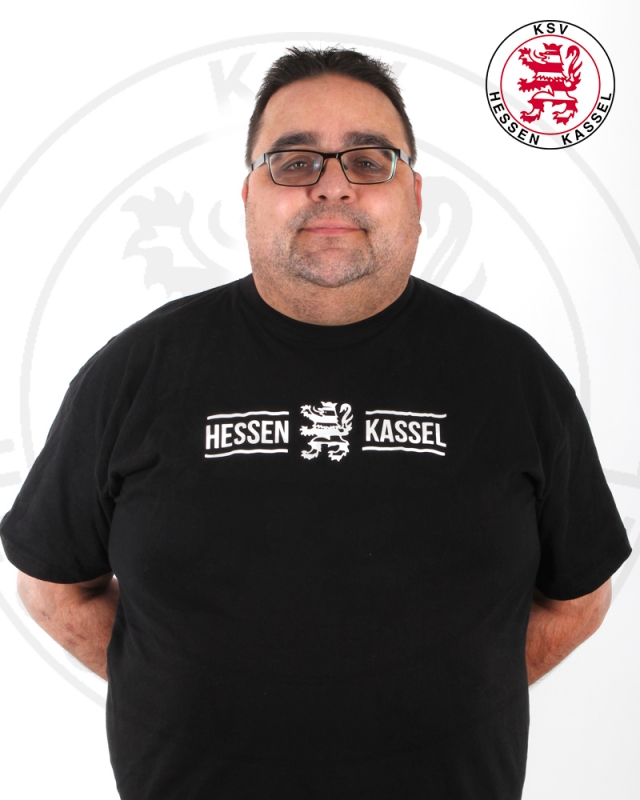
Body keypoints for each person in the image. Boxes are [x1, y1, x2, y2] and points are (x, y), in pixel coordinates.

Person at [0, 46, 631, 800]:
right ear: (247, 196)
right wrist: (172, 687)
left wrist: (458, 689)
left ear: (416, 195)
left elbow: (580, 598)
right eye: (294, 162)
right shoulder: (135, 372)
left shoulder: (513, 375)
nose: (332, 185)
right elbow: (53, 588)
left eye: (369, 160)